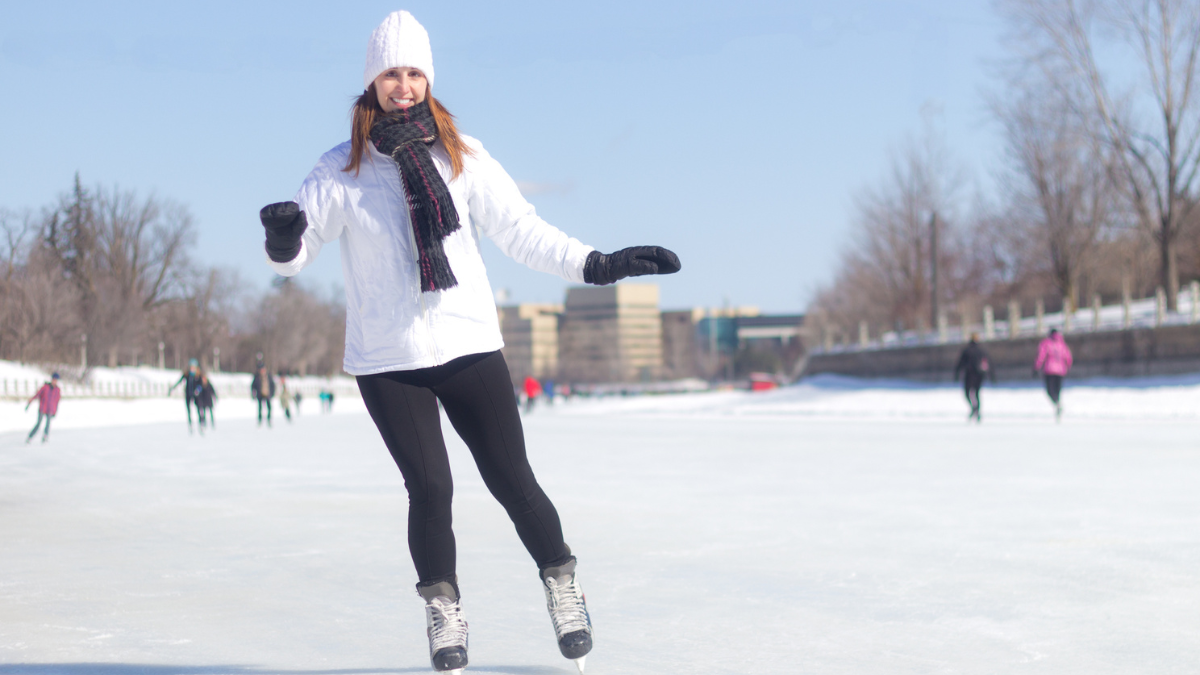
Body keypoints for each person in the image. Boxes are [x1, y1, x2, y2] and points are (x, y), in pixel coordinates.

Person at [256, 11, 680, 674]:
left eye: (415, 72)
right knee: (430, 486)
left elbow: (525, 232)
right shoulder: (341, 168)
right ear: (372, 82)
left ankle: (562, 582)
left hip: (468, 344)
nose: (404, 85)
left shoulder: (463, 155)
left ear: (429, 78)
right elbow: (299, 250)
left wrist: (600, 264)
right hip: (389, 359)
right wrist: (283, 238)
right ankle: (443, 608)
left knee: (512, 478)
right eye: (392, 73)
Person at [1034, 328, 1073, 420]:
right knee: (1057, 390)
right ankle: (1058, 404)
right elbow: (1068, 357)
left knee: (1050, 391)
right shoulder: (1062, 344)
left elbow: (1041, 356)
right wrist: (1068, 367)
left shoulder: (1046, 343)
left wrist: (1036, 367)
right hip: (1060, 371)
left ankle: (1056, 403)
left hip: (1049, 371)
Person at [954, 333, 992, 423]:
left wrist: (956, 374)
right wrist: (991, 375)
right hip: (979, 375)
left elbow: (960, 363)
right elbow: (987, 363)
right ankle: (976, 410)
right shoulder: (982, 351)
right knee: (977, 394)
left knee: (967, 393)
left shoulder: (967, 351)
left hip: (969, 375)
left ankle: (974, 408)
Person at [25, 373, 62, 444]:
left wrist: (55, 411)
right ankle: (30, 436)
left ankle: (45, 436)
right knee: (38, 423)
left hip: (50, 409)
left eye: (56, 380)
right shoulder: (45, 387)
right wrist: (31, 400)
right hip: (43, 408)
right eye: (54, 380)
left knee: (48, 423)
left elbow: (57, 401)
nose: (55, 381)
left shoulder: (57, 390)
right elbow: (38, 394)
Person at [167, 359, 202, 433]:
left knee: (198, 409)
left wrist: (198, 390)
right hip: (188, 394)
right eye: (191, 367)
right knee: (189, 410)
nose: (192, 369)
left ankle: (200, 423)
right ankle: (190, 425)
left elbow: (201, 385)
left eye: (193, 367)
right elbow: (179, 381)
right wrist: (173, 388)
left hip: (196, 395)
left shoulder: (198, 375)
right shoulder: (187, 375)